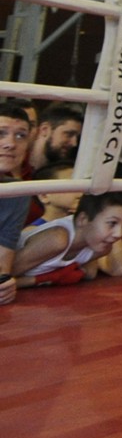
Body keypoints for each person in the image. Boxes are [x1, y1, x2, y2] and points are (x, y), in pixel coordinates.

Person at [8, 192, 122, 289]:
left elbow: (91, 274)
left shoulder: (101, 248)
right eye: (112, 223)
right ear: (83, 220)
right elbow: (3, 278)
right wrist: (45, 279)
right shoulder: (57, 239)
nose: (119, 234)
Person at [1, 99, 34, 306]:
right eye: (0, 133)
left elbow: (2, 264)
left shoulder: (18, 192)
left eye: (21, 136)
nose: (11, 144)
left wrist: (3, 285)